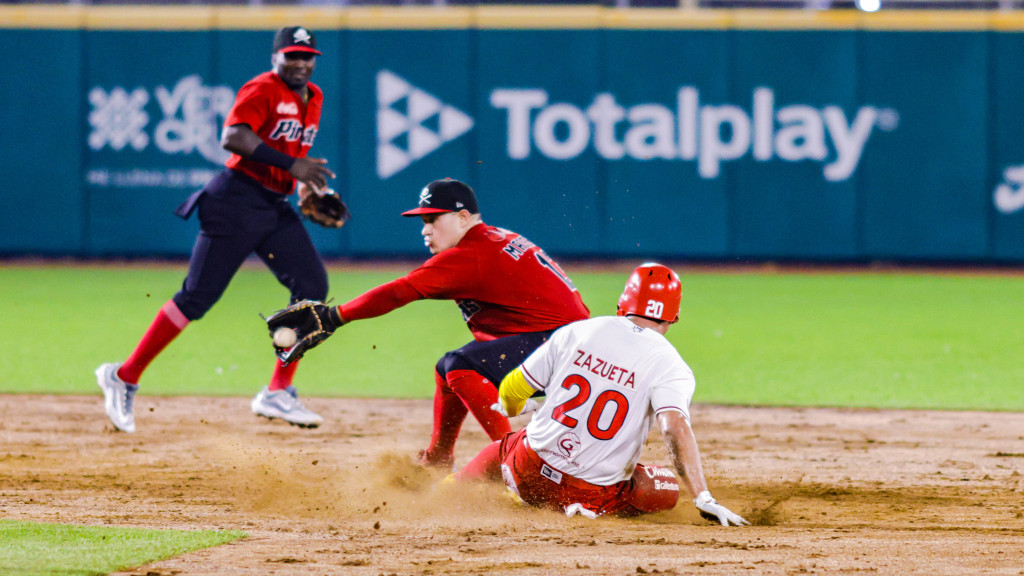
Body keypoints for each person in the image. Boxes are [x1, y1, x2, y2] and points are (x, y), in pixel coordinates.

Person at [96, 26, 336, 433]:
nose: (299, 62)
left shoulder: (315, 98)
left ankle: (277, 392)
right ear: (275, 57)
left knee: (312, 286)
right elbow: (233, 137)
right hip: (234, 201)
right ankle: (123, 376)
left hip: (273, 206)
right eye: (291, 55)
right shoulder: (262, 88)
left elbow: (292, 155)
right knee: (196, 298)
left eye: (306, 56)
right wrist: (291, 166)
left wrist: (305, 186)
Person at [266, 178, 590, 467]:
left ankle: (511, 459)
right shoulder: (489, 239)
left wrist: (335, 316)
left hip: (564, 349)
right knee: (446, 369)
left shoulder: (471, 253)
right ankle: (437, 459)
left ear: (463, 218)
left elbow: (399, 292)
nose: (425, 230)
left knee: (461, 366)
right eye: (423, 221)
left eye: (433, 220)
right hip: (573, 345)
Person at [450, 263, 748, 524]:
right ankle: (581, 508)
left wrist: (519, 406)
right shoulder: (672, 365)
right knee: (664, 487)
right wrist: (703, 497)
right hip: (589, 493)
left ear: (622, 305)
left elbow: (512, 388)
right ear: (674, 318)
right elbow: (673, 428)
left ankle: (448, 489)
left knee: (509, 445)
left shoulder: (580, 330)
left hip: (525, 470)